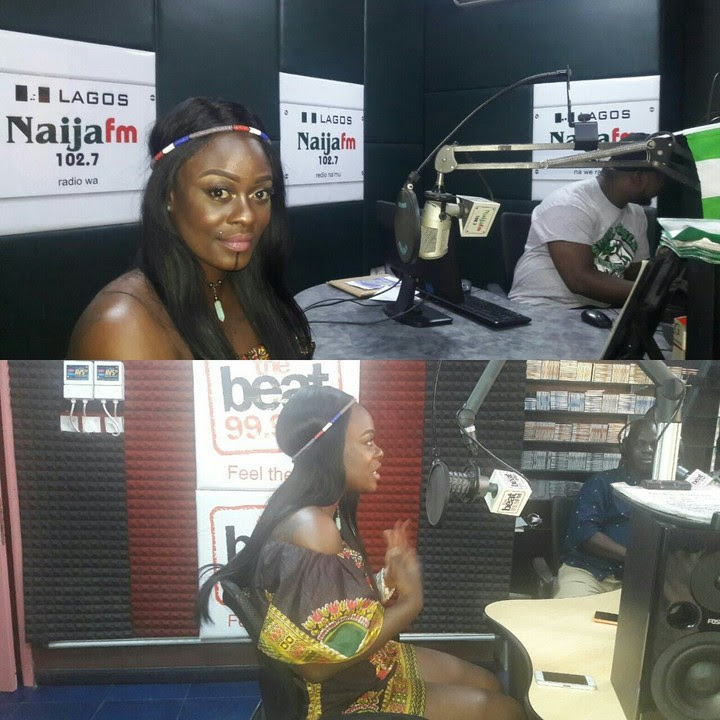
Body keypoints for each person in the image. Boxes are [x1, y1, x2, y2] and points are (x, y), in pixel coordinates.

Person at [196, 386, 525, 720]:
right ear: (329, 449)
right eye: (368, 442)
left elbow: (332, 609)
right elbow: (317, 667)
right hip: (339, 696)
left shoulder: (318, 512)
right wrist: (411, 602)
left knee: (489, 683)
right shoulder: (314, 529)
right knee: (506, 711)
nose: (379, 452)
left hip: (364, 665)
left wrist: (385, 582)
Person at [67, 97, 313, 360]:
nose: (247, 216)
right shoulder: (121, 328)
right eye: (219, 192)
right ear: (169, 195)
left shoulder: (252, 285)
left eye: (260, 193)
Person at [508, 133, 666, 308]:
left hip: (601, 312)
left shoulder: (636, 214)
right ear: (638, 177)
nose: (663, 186)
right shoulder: (569, 204)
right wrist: (657, 294)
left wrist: (665, 286)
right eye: (661, 178)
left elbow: (635, 275)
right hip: (544, 306)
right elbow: (580, 280)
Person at [554, 414, 658, 599]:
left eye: (654, 445)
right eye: (641, 444)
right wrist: (633, 556)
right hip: (588, 572)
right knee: (572, 613)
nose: (648, 450)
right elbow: (586, 534)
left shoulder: (670, 492)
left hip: (638, 580)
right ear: (625, 446)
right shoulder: (601, 483)